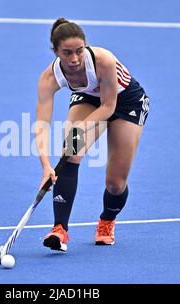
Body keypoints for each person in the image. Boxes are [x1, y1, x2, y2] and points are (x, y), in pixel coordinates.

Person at [35, 18, 149, 252]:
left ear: (85, 46)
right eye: (67, 53)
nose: (75, 59)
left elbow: (108, 107)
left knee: (116, 184)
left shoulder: (103, 61)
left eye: (79, 51)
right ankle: (59, 229)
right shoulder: (49, 78)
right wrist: (46, 165)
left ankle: (107, 220)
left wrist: (78, 129)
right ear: (55, 51)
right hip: (88, 99)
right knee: (70, 153)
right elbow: (41, 125)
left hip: (126, 103)